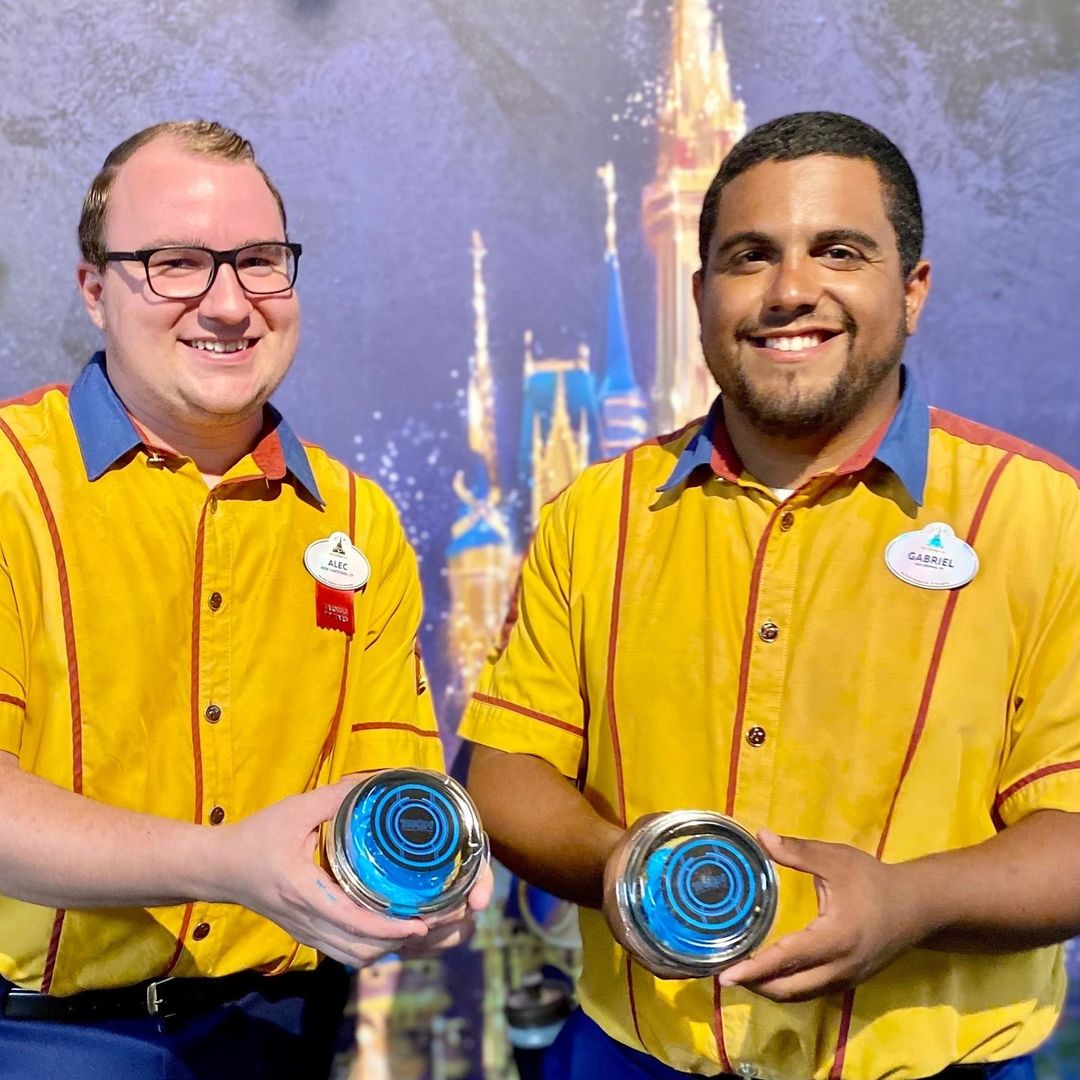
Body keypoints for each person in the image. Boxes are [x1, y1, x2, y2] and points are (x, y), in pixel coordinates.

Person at [462, 111, 1080, 1080]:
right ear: (701, 294)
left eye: (839, 251)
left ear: (912, 290)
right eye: (751, 256)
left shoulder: (1042, 518)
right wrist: (620, 866)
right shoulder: (592, 515)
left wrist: (909, 904)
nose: (792, 290)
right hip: (632, 1058)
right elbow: (505, 771)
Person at [0, 120, 489, 1079]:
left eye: (259, 261)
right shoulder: (13, 484)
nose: (228, 304)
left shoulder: (357, 520)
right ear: (95, 291)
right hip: (46, 1043)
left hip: (286, 1033)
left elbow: (387, 792)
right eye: (175, 264)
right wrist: (227, 864)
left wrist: (419, 891)